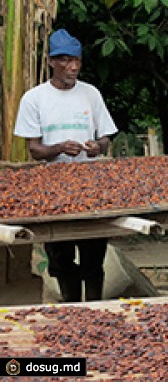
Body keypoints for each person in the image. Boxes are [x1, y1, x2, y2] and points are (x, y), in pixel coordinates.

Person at [14, 29, 118, 302]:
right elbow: (34, 149)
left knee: (94, 254)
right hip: (53, 190)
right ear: (51, 61)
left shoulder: (91, 94)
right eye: (65, 61)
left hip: (91, 188)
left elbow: (105, 137)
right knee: (60, 258)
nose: (72, 67)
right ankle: (71, 309)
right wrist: (59, 148)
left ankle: (94, 310)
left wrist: (98, 147)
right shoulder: (34, 99)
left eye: (76, 61)